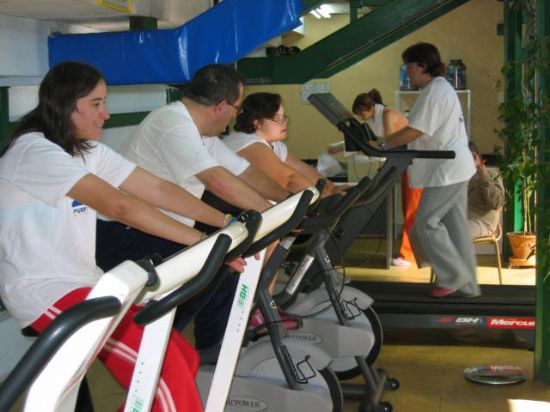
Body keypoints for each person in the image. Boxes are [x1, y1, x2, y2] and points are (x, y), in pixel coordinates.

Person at [0, 61, 245, 411]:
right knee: (164, 373)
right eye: (96, 104)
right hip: (45, 290)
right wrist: (204, 244)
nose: (106, 114)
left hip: (87, 284)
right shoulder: (34, 152)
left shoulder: (86, 150)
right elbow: (120, 207)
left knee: (182, 359)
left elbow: (156, 189)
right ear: (66, 104)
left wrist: (223, 223)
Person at [99, 64, 289, 346]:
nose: (236, 116)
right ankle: (163, 347)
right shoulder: (172, 123)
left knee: (223, 268)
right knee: (216, 268)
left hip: (157, 229)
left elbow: (241, 172)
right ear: (221, 106)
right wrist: (275, 213)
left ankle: (212, 351)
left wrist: (285, 202)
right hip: (126, 235)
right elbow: (217, 181)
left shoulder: (201, 133)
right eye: (236, 108)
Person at [376, 42, 480, 298]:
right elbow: (417, 130)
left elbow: (416, 130)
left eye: (408, 65)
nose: (406, 71)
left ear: (422, 65)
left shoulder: (435, 91)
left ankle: (454, 276)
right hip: (452, 167)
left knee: (425, 222)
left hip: (448, 169)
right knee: (455, 228)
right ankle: (468, 285)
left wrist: (382, 143)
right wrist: (384, 143)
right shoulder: (437, 89)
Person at [223, 92, 342, 197]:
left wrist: (332, 188)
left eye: (284, 117)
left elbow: (302, 169)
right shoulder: (247, 143)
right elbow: (288, 180)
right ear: (257, 122)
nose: (285, 122)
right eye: (277, 119)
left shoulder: (275, 144)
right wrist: (325, 197)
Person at [467, 141, 504, 238]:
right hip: (463, 218)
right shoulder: (461, 175)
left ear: (474, 157)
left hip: (482, 222)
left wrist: (483, 176)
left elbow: (497, 203)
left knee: (456, 232)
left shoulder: (491, 174)